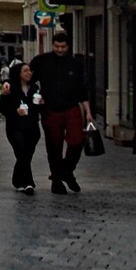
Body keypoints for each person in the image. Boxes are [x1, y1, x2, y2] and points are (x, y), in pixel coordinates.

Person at [33, 30, 91, 195]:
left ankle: (66, 170)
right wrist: (37, 96)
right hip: (50, 109)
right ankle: (57, 180)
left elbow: (82, 89)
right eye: (57, 46)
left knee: (77, 142)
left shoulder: (76, 64)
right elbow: (29, 79)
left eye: (63, 47)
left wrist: (87, 111)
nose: (60, 50)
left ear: (68, 46)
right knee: (54, 146)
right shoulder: (41, 61)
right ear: (52, 45)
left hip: (71, 107)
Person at [0, 61, 42, 193]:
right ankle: (28, 182)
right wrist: (15, 111)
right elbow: (2, 108)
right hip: (15, 126)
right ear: (18, 73)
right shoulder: (10, 88)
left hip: (32, 127)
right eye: (25, 71)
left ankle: (17, 180)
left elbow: (38, 107)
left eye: (30, 71)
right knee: (21, 152)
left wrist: (40, 104)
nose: (29, 73)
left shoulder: (35, 88)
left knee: (26, 155)